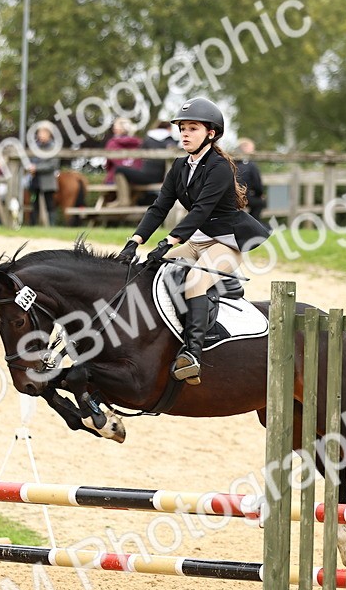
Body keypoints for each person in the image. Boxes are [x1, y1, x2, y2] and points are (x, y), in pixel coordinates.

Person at [116, 97, 271, 385]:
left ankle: (193, 354)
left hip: (227, 241)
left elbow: (202, 210)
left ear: (211, 133)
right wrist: (135, 241)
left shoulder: (220, 167)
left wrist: (169, 240)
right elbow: (159, 207)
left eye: (192, 128)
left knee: (195, 284)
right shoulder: (179, 166)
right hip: (198, 239)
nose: (185, 134)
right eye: (182, 128)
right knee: (152, 275)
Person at [115, 118, 177, 207]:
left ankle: (123, 200)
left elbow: (138, 156)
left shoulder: (148, 140)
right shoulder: (170, 141)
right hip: (162, 177)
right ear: (168, 128)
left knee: (119, 170)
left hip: (147, 175)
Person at [104, 117, 142, 207]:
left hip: (115, 179)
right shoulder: (139, 142)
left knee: (106, 193)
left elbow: (108, 164)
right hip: (135, 178)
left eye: (115, 126)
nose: (113, 129)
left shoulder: (112, 143)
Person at [27, 124, 59, 225]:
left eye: (43, 133)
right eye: (39, 133)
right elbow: (31, 161)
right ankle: (33, 226)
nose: (40, 135)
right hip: (35, 180)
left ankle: (52, 226)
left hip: (47, 181)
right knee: (34, 204)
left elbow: (53, 165)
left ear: (49, 134)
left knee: (50, 204)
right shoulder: (35, 147)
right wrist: (30, 167)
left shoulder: (53, 147)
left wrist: (37, 168)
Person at [235, 138, 265, 222]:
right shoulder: (250, 164)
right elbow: (257, 184)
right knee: (260, 203)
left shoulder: (231, 161)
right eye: (252, 148)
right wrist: (260, 194)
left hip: (229, 196)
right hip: (243, 196)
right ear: (245, 148)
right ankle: (252, 223)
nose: (253, 150)